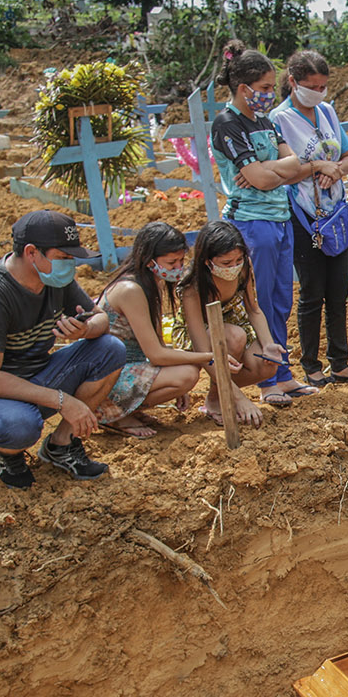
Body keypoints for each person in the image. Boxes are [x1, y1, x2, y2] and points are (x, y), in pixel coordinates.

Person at [0, 210, 125, 489]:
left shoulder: (55, 280)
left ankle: (61, 444)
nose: (70, 266)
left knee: (110, 349)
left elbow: (101, 319)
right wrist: (63, 400)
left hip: (32, 378)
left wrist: (86, 330)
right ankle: (4, 452)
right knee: (19, 425)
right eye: (63, 257)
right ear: (32, 253)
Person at [211, 38, 318, 405]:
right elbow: (261, 179)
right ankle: (268, 378)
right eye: (265, 89)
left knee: (281, 299)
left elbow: (295, 167)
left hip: (280, 218)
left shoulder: (266, 121)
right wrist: (277, 170)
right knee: (259, 302)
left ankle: (284, 374)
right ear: (244, 88)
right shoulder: (227, 124)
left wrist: (268, 169)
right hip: (251, 223)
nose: (270, 95)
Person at [270, 49, 348, 387]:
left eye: (324, 86)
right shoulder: (278, 120)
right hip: (301, 215)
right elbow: (283, 172)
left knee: (338, 289)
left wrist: (336, 169)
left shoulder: (326, 112)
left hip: (335, 212)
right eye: (312, 86)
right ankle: (310, 364)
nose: (319, 92)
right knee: (312, 292)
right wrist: (318, 167)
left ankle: (340, 362)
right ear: (293, 82)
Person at [93, 220, 213, 439]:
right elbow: (156, 354)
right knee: (187, 372)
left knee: (186, 371)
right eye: (171, 263)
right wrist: (209, 357)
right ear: (150, 262)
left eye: (180, 261)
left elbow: (158, 342)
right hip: (107, 378)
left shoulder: (150, 284)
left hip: (126, 368)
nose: (178, 268)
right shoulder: (131, 290)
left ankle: (129, 409)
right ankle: (115, 415)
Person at [176, 221, 284, 429]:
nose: (233, 268)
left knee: (267, 364)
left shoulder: (243, 269)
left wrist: (269, 344)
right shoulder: (193, 287)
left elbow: (254, 309)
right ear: (207, 262)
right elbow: (203, 350)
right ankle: (225, 397)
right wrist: (240, 398)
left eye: (238, 261)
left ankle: (216, 397)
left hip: (233, 324)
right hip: (202, 338)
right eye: (226, 264)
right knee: (234, 337)